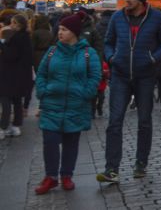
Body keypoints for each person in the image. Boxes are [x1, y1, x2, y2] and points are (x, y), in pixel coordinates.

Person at [97, 0, 161, 184]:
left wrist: (153, 59)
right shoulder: (117, 17)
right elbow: (108, 41)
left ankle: (141, 163)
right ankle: (111, 169)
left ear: (140, 0)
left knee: (144, 121)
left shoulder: (156, 18)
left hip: (145, 76)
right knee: (115, 122)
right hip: (120, 74)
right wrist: (111, 57)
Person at [33, 11, 101, 194]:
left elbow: (95, 76)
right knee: (50, 141)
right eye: (59, 29)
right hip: (51, 104)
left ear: (74, 32)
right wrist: (42, 91)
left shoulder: (88, 53)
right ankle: (51, 177)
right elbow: (42, 73)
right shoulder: (52, 51)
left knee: (71, 142)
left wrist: (85, 93)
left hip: (76, 105)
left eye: (63, 29)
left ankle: (66, 176)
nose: (59, 33)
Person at [0, 13, 33, 139]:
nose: (11, 25)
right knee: (17, 101)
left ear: (19, 25)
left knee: (6, 100)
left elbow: (11, 55)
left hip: (10, 75)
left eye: (13, 22)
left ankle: (3, 127)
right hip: (20, 74)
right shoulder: (25, 37)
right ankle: (16, 126)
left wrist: (2, 45)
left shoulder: (18, 38)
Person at [30, 14, 54, 110]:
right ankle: (43, 105)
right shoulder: (50, 33)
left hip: (37, 56)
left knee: (38, 80)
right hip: (48, 56)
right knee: (46, 80)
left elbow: (32, 47)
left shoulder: (35, 33)